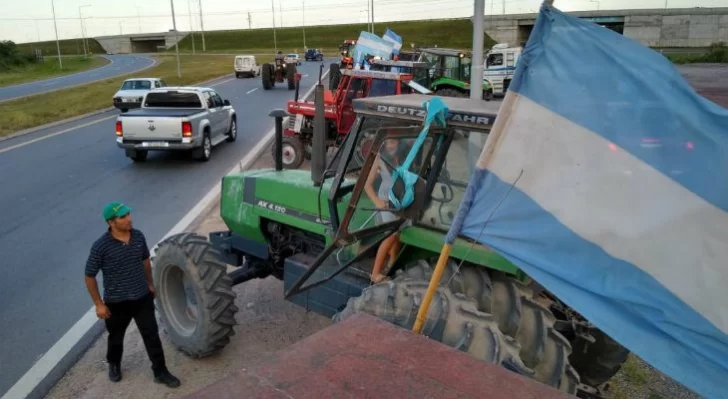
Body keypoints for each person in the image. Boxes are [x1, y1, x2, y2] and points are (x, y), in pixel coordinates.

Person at [84, 202, 181, 388]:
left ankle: (160, 372)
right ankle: (114, 364)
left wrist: (150, 283)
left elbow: (145, 260)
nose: (129, 219)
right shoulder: (100, 246)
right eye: (123, 217)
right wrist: (98, 304)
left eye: (128, 214)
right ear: (111, 222)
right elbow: (89, 276)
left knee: (152, 335)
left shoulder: (138, 236)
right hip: (116, 302)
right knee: (116, 337)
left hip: (142, 297)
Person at [364, 137, 402, 284]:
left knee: (398, 234)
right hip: (386, 200)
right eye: (389, 142)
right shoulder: (380, 159)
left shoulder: (402, 156)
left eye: (395, 141)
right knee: (391, 234)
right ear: (384, 144)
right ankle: (375, 273)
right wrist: (377, 202)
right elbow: (367, 185)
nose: (392, 145)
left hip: (400, 198)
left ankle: (392, 263)